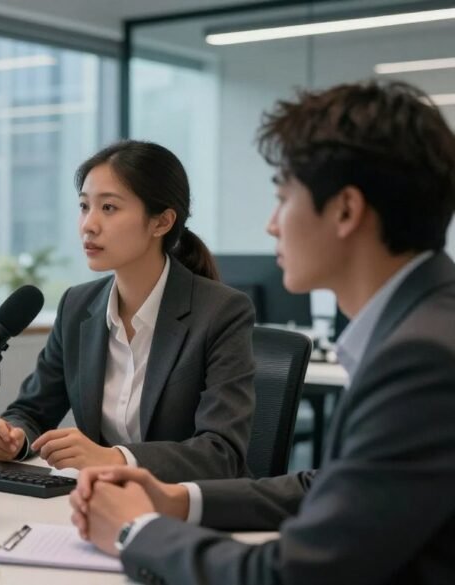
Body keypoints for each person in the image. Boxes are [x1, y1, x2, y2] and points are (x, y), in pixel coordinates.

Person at [70, 80, 455, 585]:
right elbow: (329, 485)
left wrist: (133, 531)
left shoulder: (423, 358)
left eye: (283, 198)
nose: (272, 224)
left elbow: (291, 577)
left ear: (345, 210)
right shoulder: (426, 324)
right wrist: (178, 499)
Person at [0, 140, 256, 481]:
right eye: (84, 206)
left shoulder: (222, 311)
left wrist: (115, 458)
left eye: (109, 208)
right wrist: (14, 438)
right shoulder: (77, 306)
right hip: (102, 500)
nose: (88, 224)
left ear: (161, 222)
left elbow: (221, 453)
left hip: (188, 504)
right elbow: (31, 411)